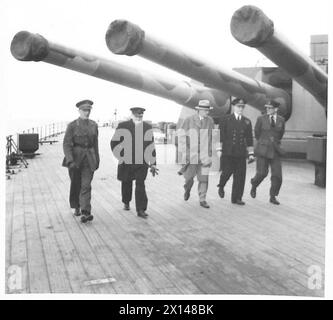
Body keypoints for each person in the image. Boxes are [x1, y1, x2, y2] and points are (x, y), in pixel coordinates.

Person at [110, 107, 158, 218]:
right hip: (127, 161)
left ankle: (141, 209)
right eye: (137, 115)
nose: (139, 117)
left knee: (140, 184)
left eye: (141, 115)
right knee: (126, 182)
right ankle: (126, 201)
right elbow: (114, 143)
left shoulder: (147, 127)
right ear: (132, 115)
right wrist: (121, 155)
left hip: (142, 162)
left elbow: (151, 146)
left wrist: (153, 163)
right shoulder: (123, 126)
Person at [62, 99, 99, 223]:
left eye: (88, 110)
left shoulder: (93, 125)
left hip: (89, 158)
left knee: (86, 185)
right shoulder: (72, 126)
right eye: (84, 110)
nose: (87, 112)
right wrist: (70, 160)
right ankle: (76, 206)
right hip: (75, 159)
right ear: (79, 111)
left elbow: (95, 144)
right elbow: (66, 144)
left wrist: (97, 158)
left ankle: (85, 212)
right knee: (76, 184)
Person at [216, 98, 254, 205]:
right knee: (226, 173)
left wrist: (251, 154)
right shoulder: (225, 119)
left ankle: (237, 198)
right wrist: (219, 149)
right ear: (234, 107)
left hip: (241, 153)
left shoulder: (247, 121)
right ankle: (221, 185)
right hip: (228, 152)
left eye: (242, 107)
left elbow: (249, 139)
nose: (241, 108)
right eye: (238, 106)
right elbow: (220, 136)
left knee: (240, 176)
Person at [178, 99, 215, 208]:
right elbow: (181, 137)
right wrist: (187, 152)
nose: (206, 112)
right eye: (204, 110)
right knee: (189, 178)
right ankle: (187, 188)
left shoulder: (210, 121)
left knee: (204, 178)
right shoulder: (189, 120)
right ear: (198, 110)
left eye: (208, 110)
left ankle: (202, 199)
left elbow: (213, 137)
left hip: (204, 156)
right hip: (191, 155)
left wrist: (211, 154)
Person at [250, 99, 286, 205]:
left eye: (270, 108)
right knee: (262, 173)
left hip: (275, 151)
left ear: (276, 109)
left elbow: (281, 134)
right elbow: (257, 133)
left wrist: (274, 142)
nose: (268, 110)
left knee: (277, 175)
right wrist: (263, 142)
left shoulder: (281, 120)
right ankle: (254, 184)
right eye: (267, 108)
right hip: (263, 150)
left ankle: (273, 196)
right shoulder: (261, 119)